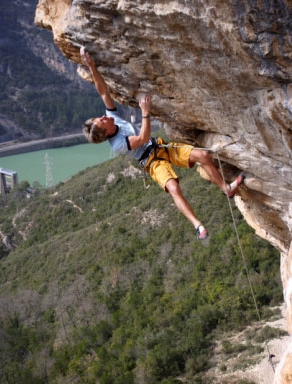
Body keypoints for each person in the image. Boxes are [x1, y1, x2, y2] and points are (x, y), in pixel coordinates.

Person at [81, 48, 244, 240]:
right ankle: (198, 226)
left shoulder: (112, 118)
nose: (103, 116)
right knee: (174, 188)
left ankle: (226, 188)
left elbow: (103, 91)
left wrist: (91, 66)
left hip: (160, 147)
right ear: (106, 131)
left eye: (101, 117)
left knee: (203, 156)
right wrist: (145, 111)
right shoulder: (116, 144)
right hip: (151, 162)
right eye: (101, 120)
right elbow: (142, 138)